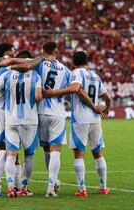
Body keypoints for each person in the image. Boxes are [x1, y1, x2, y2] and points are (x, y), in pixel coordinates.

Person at [0, 52, 43, 198]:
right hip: (30, 121)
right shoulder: (36, 76)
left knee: (10, 155)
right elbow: (38, 97)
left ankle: (11, 188)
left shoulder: (6, 75)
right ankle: (23, 188)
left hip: (11, 120)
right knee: (29, 156)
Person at [44, 51, 111, 197]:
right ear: (87, 61)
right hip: (96, 119)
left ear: (74, 62)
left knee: (79, 155)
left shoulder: (76, 72)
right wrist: (106, 109)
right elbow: (108, 97)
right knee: (98, 153)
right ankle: (104, 187)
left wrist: (54, 92)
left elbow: (76, 89)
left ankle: (82, 189)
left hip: (81, 118)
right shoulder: (95, 76)